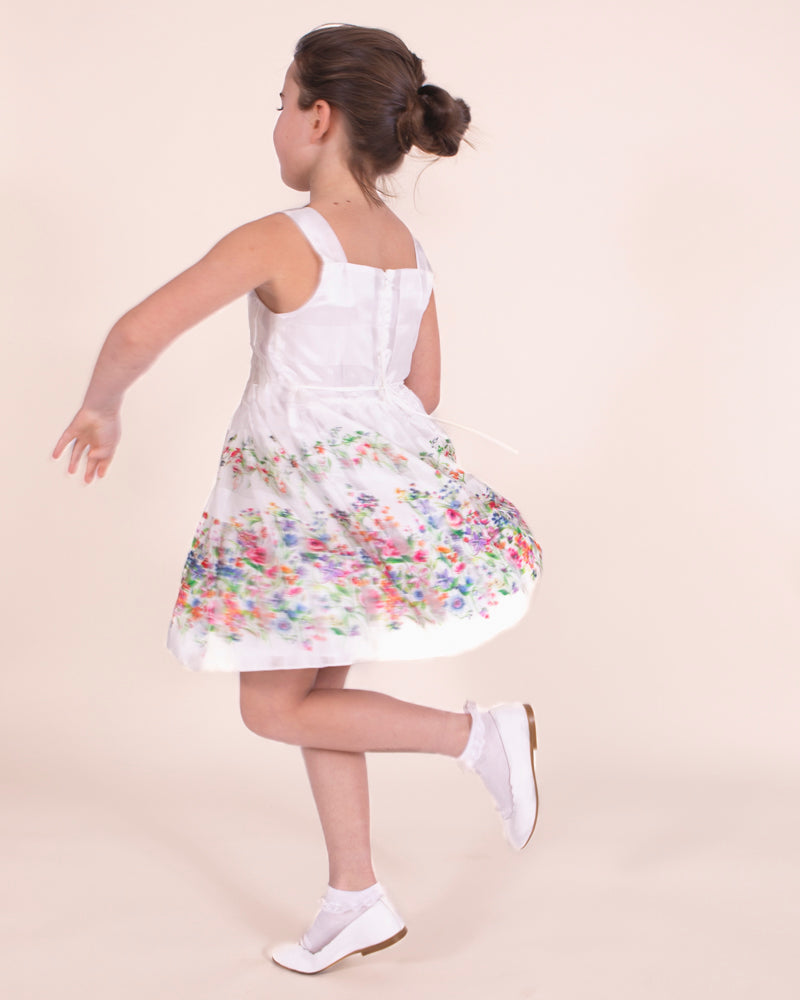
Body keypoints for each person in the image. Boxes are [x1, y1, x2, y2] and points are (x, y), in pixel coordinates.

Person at [52, 23, 544, 975]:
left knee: (273, 709)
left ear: (318, 119)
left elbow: (137, 328)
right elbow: (425, 392)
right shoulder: (404, 246)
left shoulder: (280, 238)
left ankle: (476, 734)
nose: (276, 121)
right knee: (318, 692)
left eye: (282, 103)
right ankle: (354, 895)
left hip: (301, 510)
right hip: (379, 504)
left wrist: (101, 407)